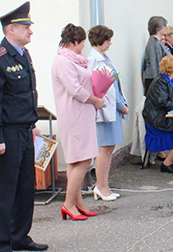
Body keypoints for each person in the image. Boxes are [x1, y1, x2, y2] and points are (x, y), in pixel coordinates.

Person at [0, 2, 48, 252]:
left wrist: (32, 124)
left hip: (24, 129)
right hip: (7, 133)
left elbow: (26, 94)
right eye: (25, 26)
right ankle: (1, 244)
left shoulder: (23, 55)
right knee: (6, 189)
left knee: (25, 186)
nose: (30, 31)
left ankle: (20, 235)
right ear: (11, 29)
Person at [51, 24, 104, 221]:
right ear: (74, 42)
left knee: (77, 160)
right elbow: (75, 89)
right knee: (83, 160)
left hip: (81, 114)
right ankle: (68, 204)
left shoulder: (73, 60)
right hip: (74, 115)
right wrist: (95, 100)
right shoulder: (63, 62)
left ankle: (77, 202)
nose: (83, 47)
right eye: (82, 43)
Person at [87, 25, 129, 201]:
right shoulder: (95, 60)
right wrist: (121, 105)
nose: (110, 43)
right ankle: (101, 186)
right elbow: (107, 88)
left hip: (110, 108)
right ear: (101, 40)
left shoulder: (102, 58)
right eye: (108, 40)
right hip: (106, 110)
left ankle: (104, 185)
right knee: (104, 149)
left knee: (108, 148)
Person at [142, 16, 169, 95]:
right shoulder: (154, 43)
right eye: (164, 26)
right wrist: (158, 83)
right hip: (155, 80)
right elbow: (156, 64)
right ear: (158, 28)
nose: (166, 28)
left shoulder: (157, 42)